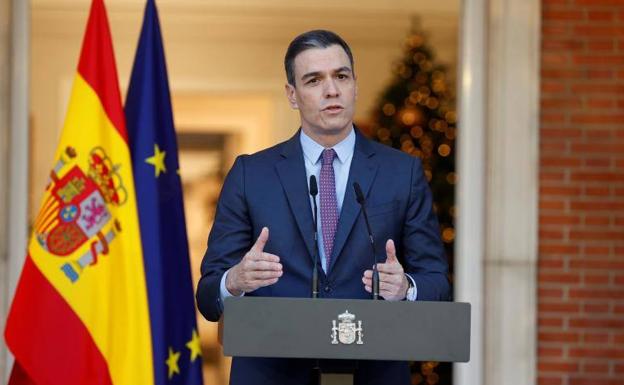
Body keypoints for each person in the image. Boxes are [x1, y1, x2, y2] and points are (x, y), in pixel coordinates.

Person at [196, 29, 450, 385]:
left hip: (372, 371)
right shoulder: (250, 174)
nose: (332, 90)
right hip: (271, 373)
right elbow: (208, 296)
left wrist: (406, 288)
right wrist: (234, 281)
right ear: (292, 95)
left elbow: (437, 282)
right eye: (314, 80)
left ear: (355, 86)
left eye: (341, 76)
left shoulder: (401, 173)